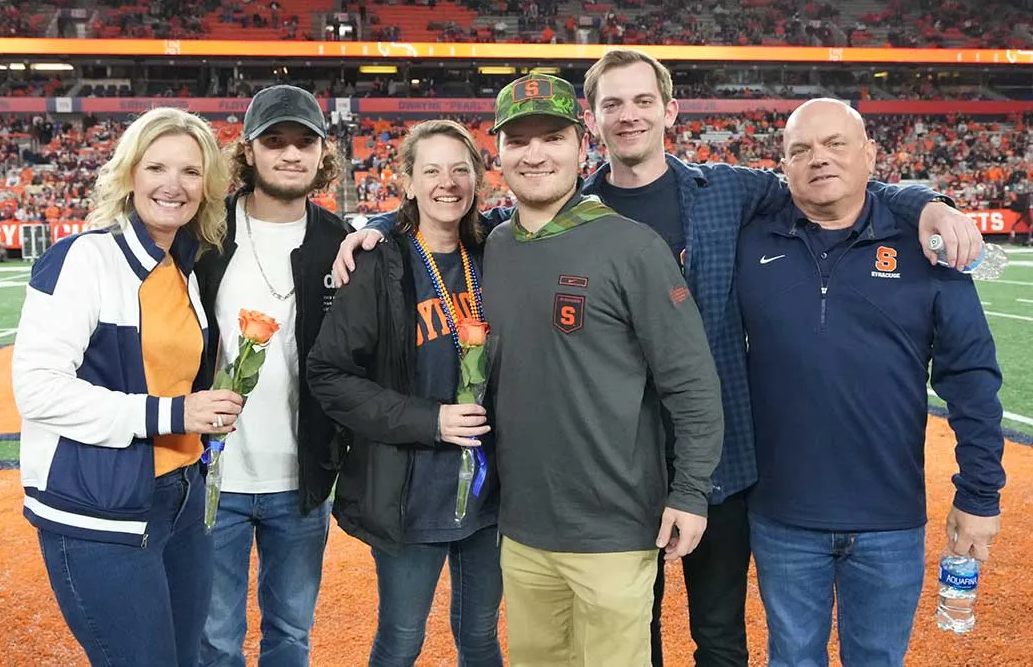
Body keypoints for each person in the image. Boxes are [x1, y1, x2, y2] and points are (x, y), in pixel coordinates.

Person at [333, 49, 984, 667]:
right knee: (631, 632)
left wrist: (922, 200)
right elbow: (452, 210)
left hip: (717, 463)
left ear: (670, 111)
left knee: (718, 633)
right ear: (593, 122)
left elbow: (828, 180)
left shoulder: (726, 189)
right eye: (613, 103)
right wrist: (375, 229)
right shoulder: (548, 213)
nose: (630, 114)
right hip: (610, 468)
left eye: (644, 99)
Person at [736, 98, 1006, 666]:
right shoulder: (750, 241)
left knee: (879, 660)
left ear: (870, 155)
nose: (819, 160)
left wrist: (979, 494)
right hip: (783, 513)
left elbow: (972, 379)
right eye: (801, 150)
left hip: (890, 516)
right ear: (782, 167)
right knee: (790, 658)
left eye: (836, 144)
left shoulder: (928, 249)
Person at [487, 73, 724, 666]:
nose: (535, 154)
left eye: (552, 137)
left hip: (614, 531)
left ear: (581, 143)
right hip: (521, 530)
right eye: (518, 141)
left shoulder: (635, 247)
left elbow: (691, 382)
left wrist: (691, 491)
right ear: (500, 153)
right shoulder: (493, 246)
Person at [12, 107, 243, 667]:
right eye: (156, 167)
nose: (173, 185)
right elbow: (37, 389)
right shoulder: (83, 259)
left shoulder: (184, 268)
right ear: (129, 175)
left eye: (190, 172)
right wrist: (173, 413)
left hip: (182, 501)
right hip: (100, 511)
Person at [307, 120, 503, 666]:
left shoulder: (496, 251)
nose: (448, 182)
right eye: (432, 170)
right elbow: (329, 375)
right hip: (409, 494)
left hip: (491, 495)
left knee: (483, 637)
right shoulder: (378, 259)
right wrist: (430, 420)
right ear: (408, 182)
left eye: (461, 169)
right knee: (401, 640)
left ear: (478, 180)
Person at [195, 85, 351, 667]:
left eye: (304, 142)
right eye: (275, 141)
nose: (290, 154)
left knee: (290, 634)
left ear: (321, 153)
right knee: (214, 637)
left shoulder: (339, 239)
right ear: (250, 152)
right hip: (214, 475)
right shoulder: (207, 233)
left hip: (301, 479)